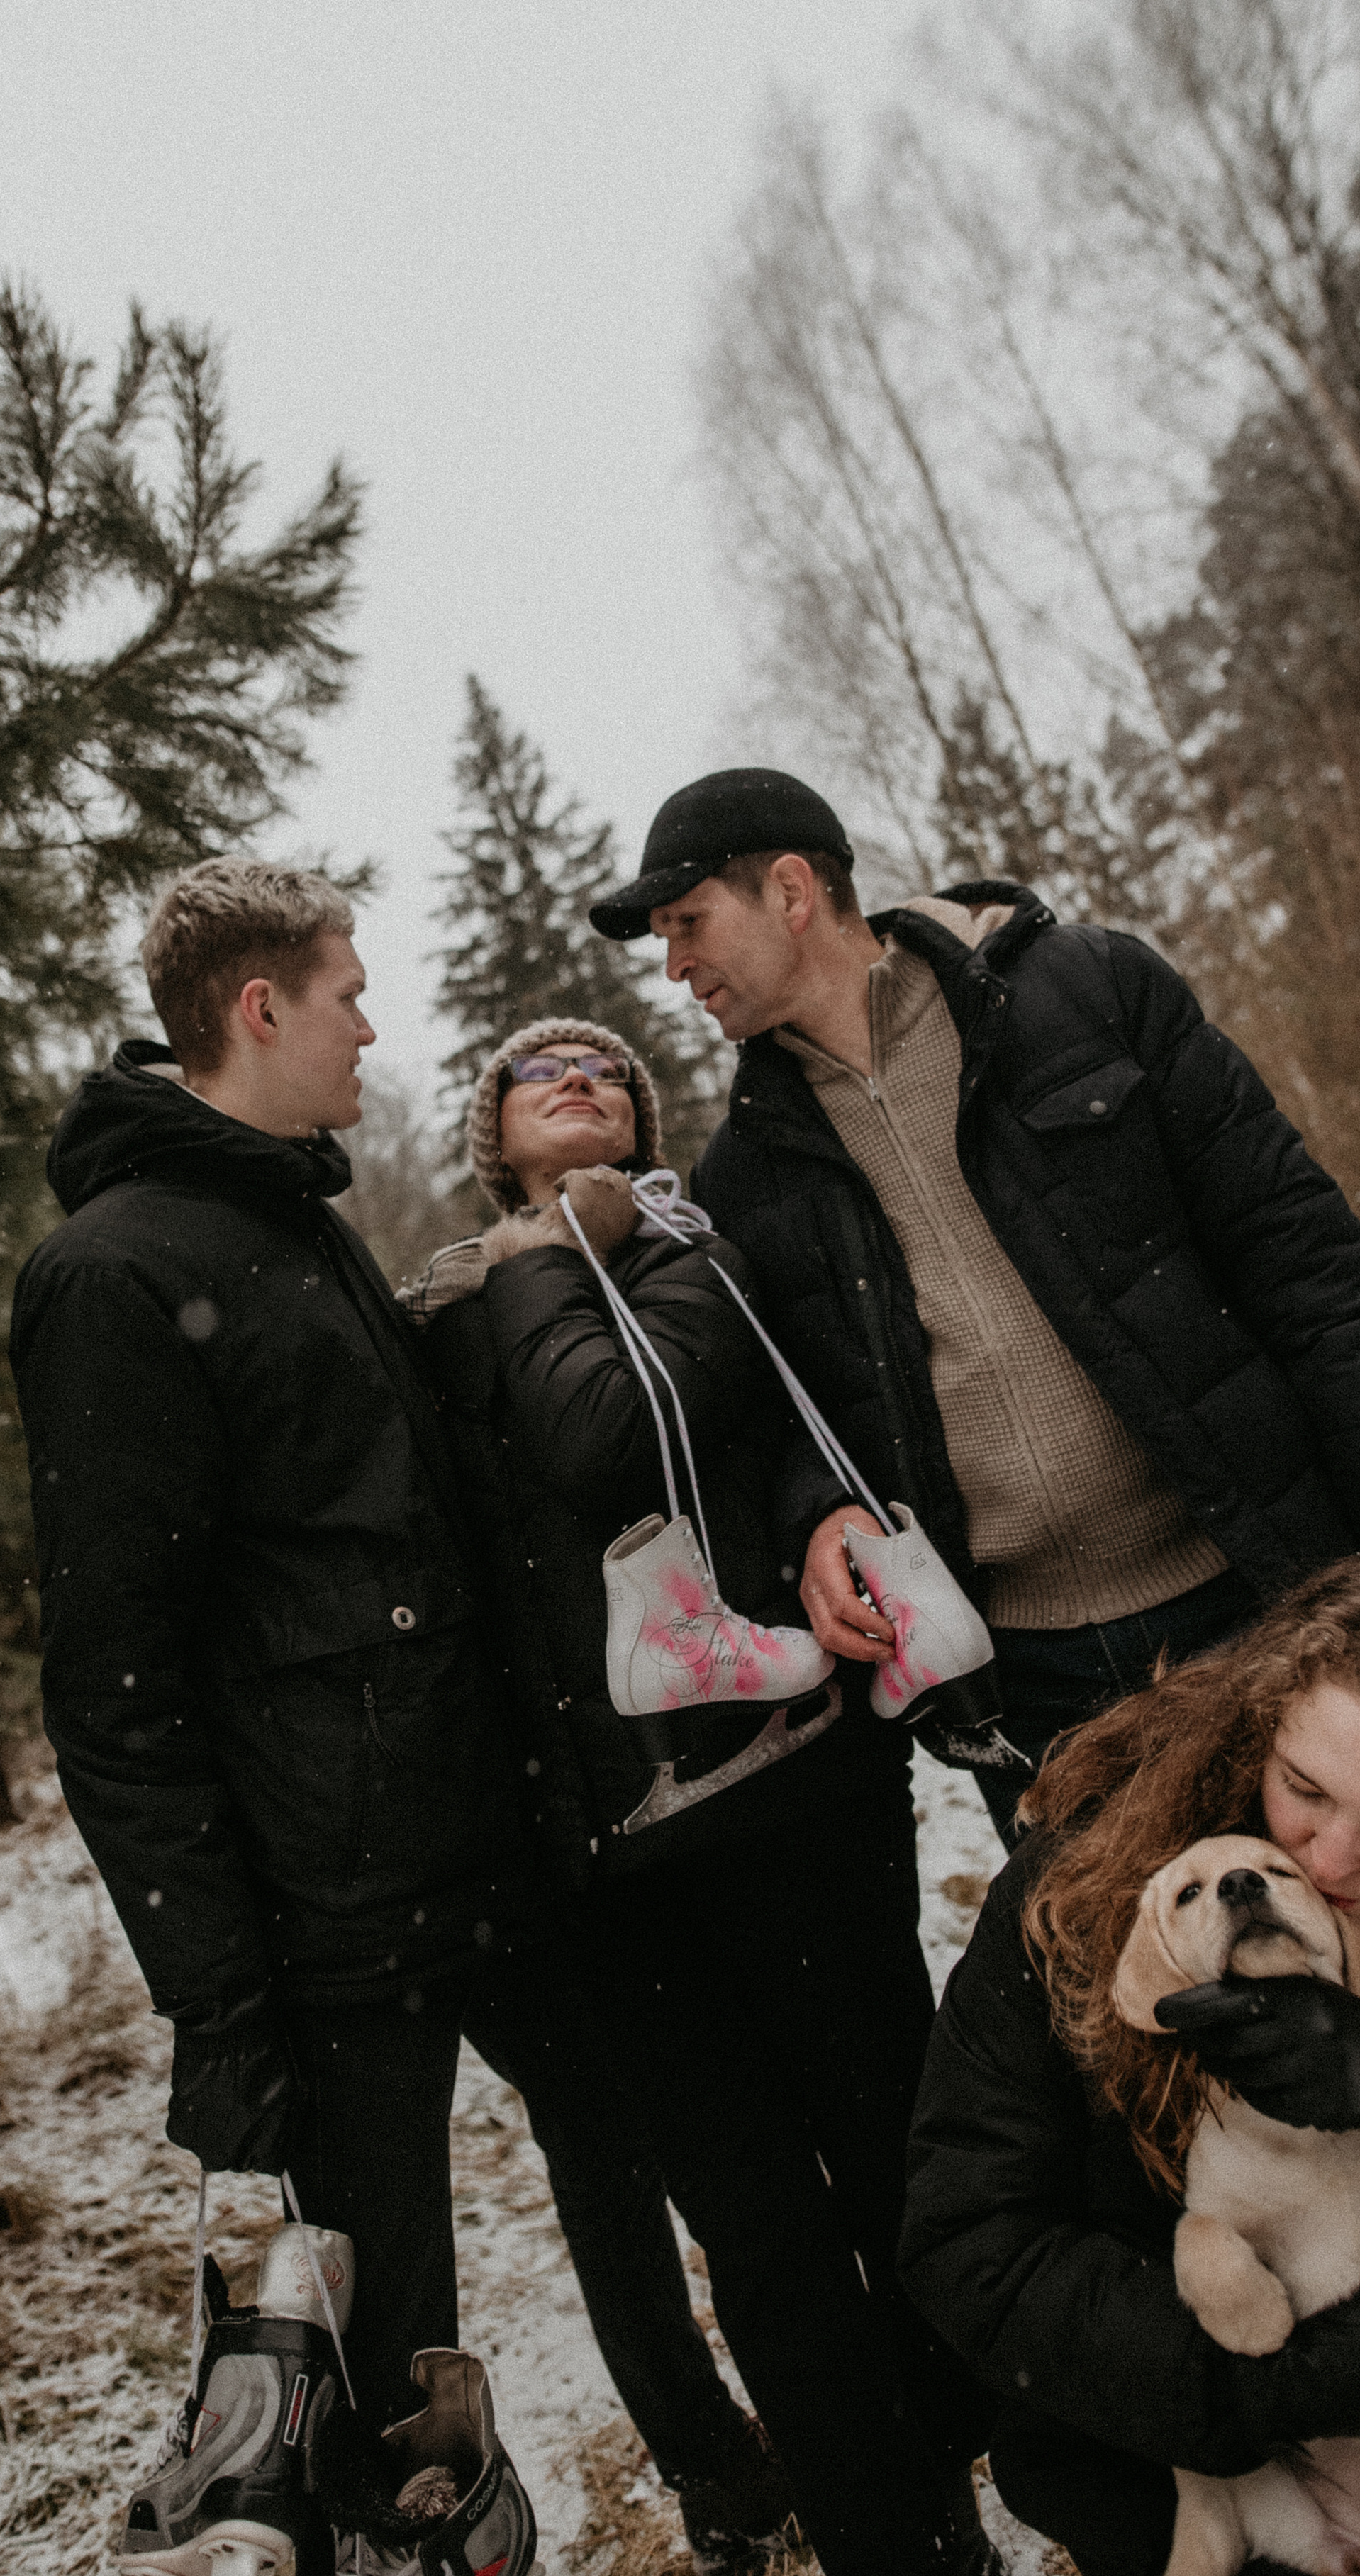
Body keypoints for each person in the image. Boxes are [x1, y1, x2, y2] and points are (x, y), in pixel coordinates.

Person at [11, 862, 750, 2576]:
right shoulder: (113, 1272)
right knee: (382, 2385)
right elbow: (113, 1686)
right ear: (258, 1008)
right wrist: (221, 2009)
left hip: (488, 1853)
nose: (371, 1021)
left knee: (658, 2153)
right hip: (337, 1928)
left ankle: (735, 2471)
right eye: (347, 990)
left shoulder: (295, 1222)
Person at [588, 767, 1360, 1841]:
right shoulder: (745, 1172)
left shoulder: (1089, 994)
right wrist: (819, 1513)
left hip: (1260, 1597)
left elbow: (1304, 1264)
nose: (675, 966)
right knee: (1121, 1996)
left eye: (689, 922)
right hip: (1023, 1681)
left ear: (789, 891)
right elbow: (792, 1415)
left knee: (1351, 1934)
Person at [406, 1014, 1002, 2576]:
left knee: (888, 2145)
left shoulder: (693, 1250)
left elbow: (615, 1436)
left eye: (604, 1070)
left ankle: (960, 2466)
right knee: (755, 2224)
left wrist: (556, 1246)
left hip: (794, 1793)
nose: (576, 1079)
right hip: (608, 1864)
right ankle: (888, 2537)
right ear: (489, 1135)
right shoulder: (441, 1317)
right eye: (537, 1072)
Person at [896, 1542, 1360, 2576]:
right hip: (1169, 2468)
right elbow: (970, 2241)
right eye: (1304, 1787)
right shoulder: (1085, 1887)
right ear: (1263, 1727)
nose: (1333, 1860)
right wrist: (1267, 2387)